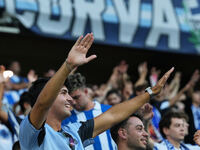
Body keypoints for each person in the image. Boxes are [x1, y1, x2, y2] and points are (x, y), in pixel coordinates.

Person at [19, 33, 174, 150]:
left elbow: (113, 115)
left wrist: (150, 93)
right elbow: (42, 104)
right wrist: (68, 66)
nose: (71, 99)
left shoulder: (74, 131)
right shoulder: (33, 132)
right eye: (63, 93)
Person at [62, 72, 117, 150]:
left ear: (86, 91)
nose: (73, 102)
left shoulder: (108, 110)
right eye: (70, 99)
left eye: (76, 97)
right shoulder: (66, 120)